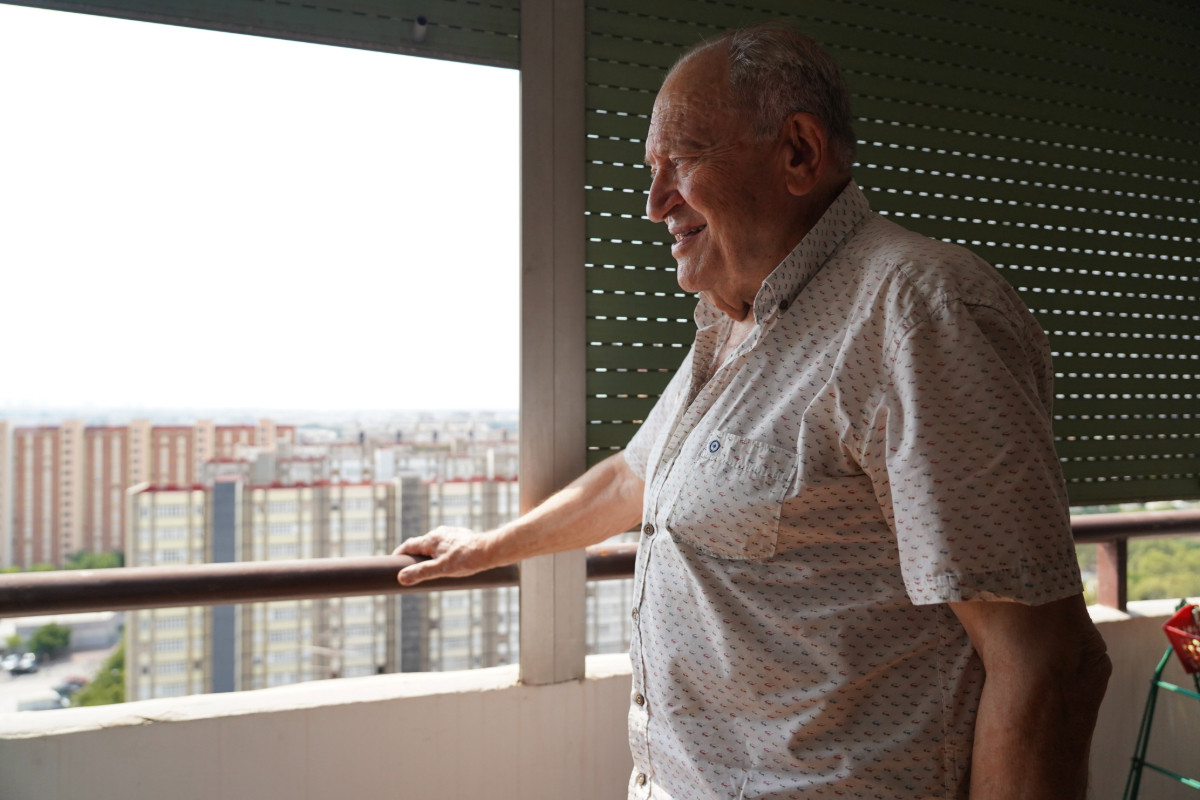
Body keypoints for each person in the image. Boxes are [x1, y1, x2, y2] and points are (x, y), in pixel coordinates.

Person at [395, 22, 1112, 800]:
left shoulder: (916, 313)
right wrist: (486, 547)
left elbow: (1047, 663)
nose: (654, 204)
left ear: (798, 152)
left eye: (681, 162)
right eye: (650, 171)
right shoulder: (733, 323)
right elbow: (632, 480)